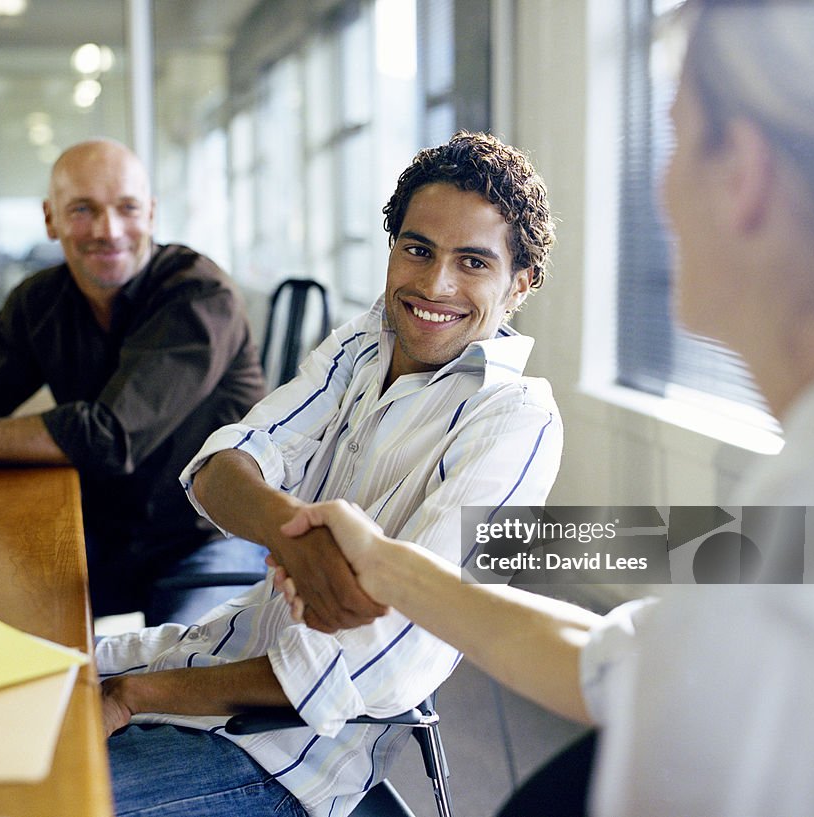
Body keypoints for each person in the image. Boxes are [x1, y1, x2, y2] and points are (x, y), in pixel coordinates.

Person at [276, 2, 814, 815]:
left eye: (672, 135)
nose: (658, 189)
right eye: (416, 249)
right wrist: (384, 564)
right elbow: (609, 657)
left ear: (743, 175)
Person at [95, 131, 564, 817]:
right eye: (417, 248)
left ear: (519, 284)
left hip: (286, 759)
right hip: (212, 653)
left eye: (473, 262)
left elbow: (386, 662)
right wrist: (293, 538)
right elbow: (222, 466)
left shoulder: (515, 422)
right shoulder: (365, 341)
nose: (435, 284)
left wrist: (136, 695)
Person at [0, 139, 268, 626]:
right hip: (103, 530)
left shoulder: (199, 294)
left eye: (127, 208)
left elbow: (106, 436)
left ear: (151, 214)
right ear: (51, 219)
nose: (107, 231)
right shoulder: (41, 299)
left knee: (176, 678)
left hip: (205, 538)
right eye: (83, 210)